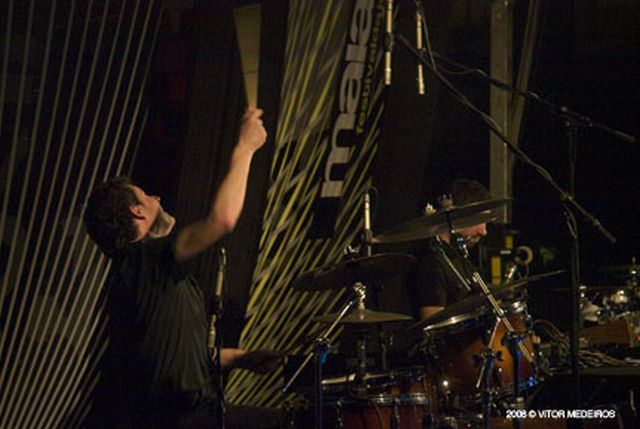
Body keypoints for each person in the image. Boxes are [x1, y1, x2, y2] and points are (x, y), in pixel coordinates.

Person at [84, 107, 284, 428]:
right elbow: (222, 219)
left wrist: (241, 358)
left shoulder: (147, 277)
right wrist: (245, 147)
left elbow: (180, 360)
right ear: (137, 212)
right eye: (147, 196)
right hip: (184, 420)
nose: (157, 197)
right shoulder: (144, 259)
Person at [408, 179, 493, 320]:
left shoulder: (458, 257)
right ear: (456, 216)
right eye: (479, 221)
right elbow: (433, 325)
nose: (484, 231)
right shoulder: (432, 264)